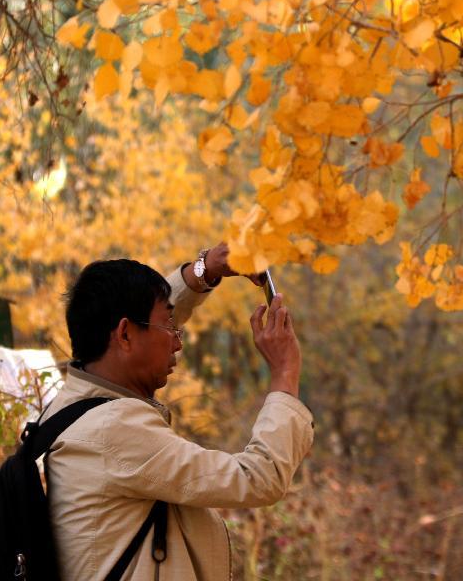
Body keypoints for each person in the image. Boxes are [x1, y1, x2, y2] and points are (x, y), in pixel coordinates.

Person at [40, 242, 314, 580]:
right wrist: (285, 374)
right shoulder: (114, 429)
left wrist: (203, 272)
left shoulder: (67, 407)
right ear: (124, 334)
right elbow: (259, 478)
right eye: (170, 325)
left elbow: (146, 318)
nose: (178, 342)